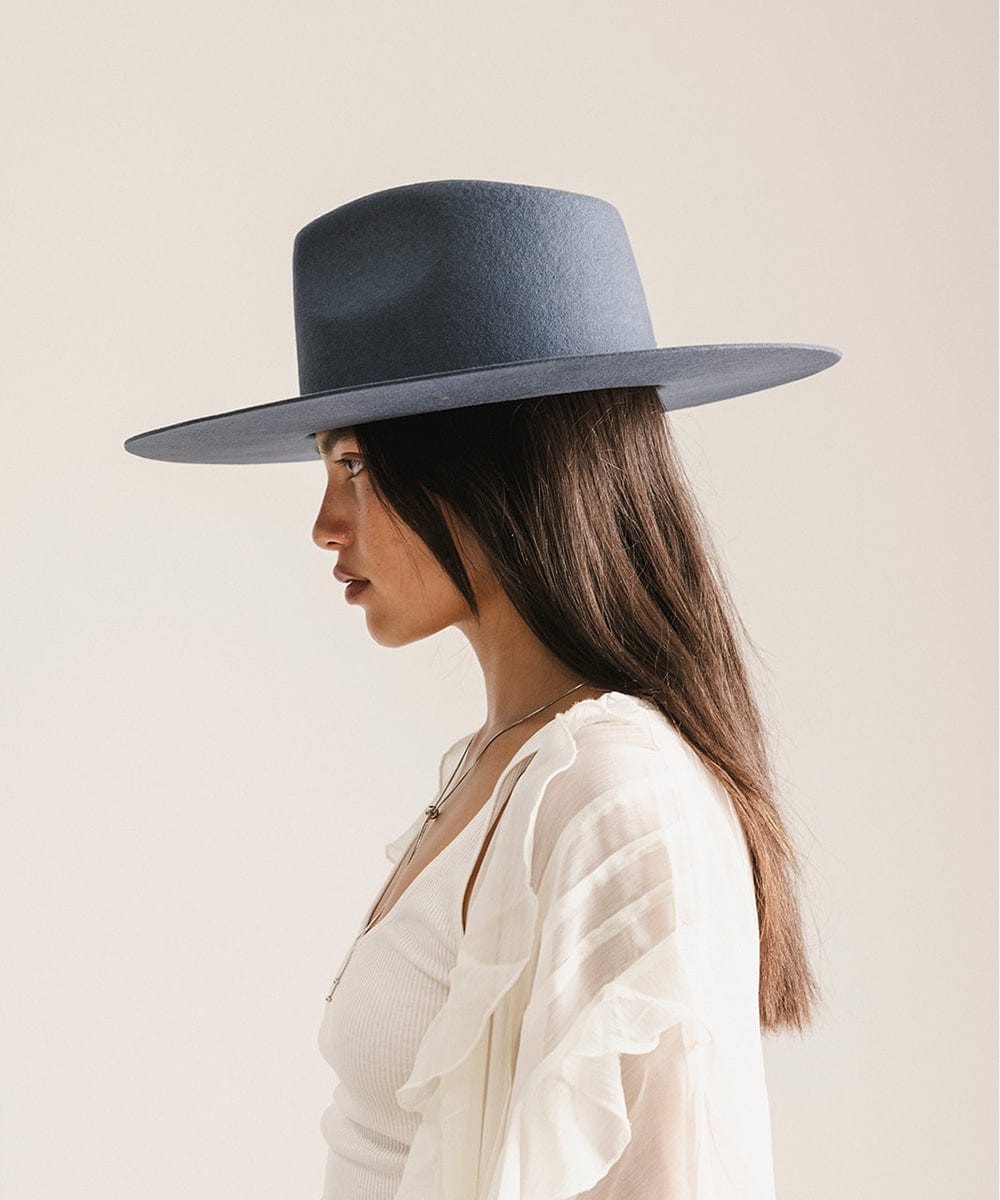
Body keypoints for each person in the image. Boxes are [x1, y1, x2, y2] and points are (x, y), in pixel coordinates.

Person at [123, 178, 842, 1199]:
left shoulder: (613, 795)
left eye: (359, 464)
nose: (324, 524)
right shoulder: (500, 768)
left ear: (501, 467)